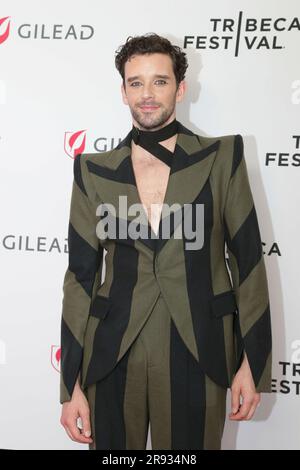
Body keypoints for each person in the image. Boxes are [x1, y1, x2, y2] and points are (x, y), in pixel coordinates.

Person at [59, 33, 272, 450]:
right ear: (123, 92)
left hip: (199, 348)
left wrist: (252, 362)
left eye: (160, 81)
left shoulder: (222, 157)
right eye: (136, 82)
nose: (148, 94)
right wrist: (71, 385)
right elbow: (79, 278)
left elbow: (248, 263)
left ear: (181, 87)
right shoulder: (92, 170)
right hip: (112, 353)